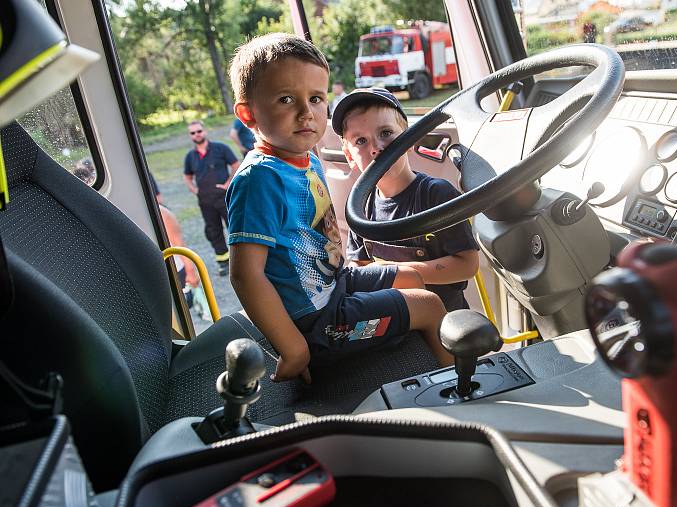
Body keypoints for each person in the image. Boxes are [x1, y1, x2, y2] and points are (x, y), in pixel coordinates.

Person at [225, 33, 454, 384]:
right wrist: (293, 348)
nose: (306, 113)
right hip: (319, 324)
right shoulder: (260, 179)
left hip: (336, 284)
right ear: (248, 114)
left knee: (413, 276)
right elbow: (245, 274)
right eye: (286, 99)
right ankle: (459, 389)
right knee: (429, 305)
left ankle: (426, 357)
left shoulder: (305, 159)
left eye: (316, 98)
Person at [332, 87, 480, 312]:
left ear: (409, 139)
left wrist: (398, 273)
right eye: (361, 141)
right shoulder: (359, 206)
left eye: (385, 133)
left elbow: (467, 264)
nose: (376, 148)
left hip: (444, 317)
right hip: (392, 314)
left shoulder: (435, 194)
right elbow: (359, 263)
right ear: (349, 156)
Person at [182, 120, 239, 276]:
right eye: (193, 133)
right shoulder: (190, 156)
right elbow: (187, 176)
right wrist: (195, 190)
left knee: (234, 227)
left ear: (204, 131)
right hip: (206, 202)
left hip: (225, 197)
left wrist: (228, 183)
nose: (196, 134)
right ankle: (223, 262)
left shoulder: (221, 148)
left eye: (199, 131)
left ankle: (241, 261)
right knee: (213, 231)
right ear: (190, 136)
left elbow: (235, 164)